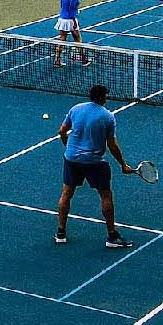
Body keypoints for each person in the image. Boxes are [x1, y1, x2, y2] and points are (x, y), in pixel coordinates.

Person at [54, 84, 135, 248]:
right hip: (93, 162)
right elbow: (112, 145)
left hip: (71, 159)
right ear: (102, 97)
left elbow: (62, 131)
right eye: (106, 95)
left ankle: (60, 233)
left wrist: (67, 146)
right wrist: (123, 165)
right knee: (106, 195)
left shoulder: (76, 109)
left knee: (66, 192)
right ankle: (112, 236)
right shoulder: (107, 117)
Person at [53, 0, 89, 66]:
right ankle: (84, 60)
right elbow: (72, 9)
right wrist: (74, 22)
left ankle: (57, 60)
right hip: (70, 20)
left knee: (61, 40)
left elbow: (62, 7)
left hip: (62, 19)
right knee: (78, 39)